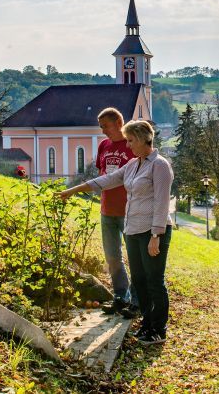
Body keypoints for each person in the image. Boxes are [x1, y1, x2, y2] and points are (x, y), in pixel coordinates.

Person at [59, 120, 174, 345]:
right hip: (132, 230)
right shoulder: (132, 164)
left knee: (154, 281)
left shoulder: (159, 165)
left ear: (143, 139)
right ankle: (147, 324)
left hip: (152, 232)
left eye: (130, 141)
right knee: (139, 280)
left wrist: (156, 236)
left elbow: (162, 203)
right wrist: (73, 190)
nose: (128, 145)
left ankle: (159, 329)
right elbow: (107, 180)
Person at [95, 107, 137, 317]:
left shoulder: (133, 144)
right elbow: (102, 174)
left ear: (119, 123)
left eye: (106, 126)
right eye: (101, 127)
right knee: (112, 257)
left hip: (129, 211)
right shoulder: (103, 145)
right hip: (107, 211)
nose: (103, 131)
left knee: (136, 258)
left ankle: (137, 301)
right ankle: (121, 296)